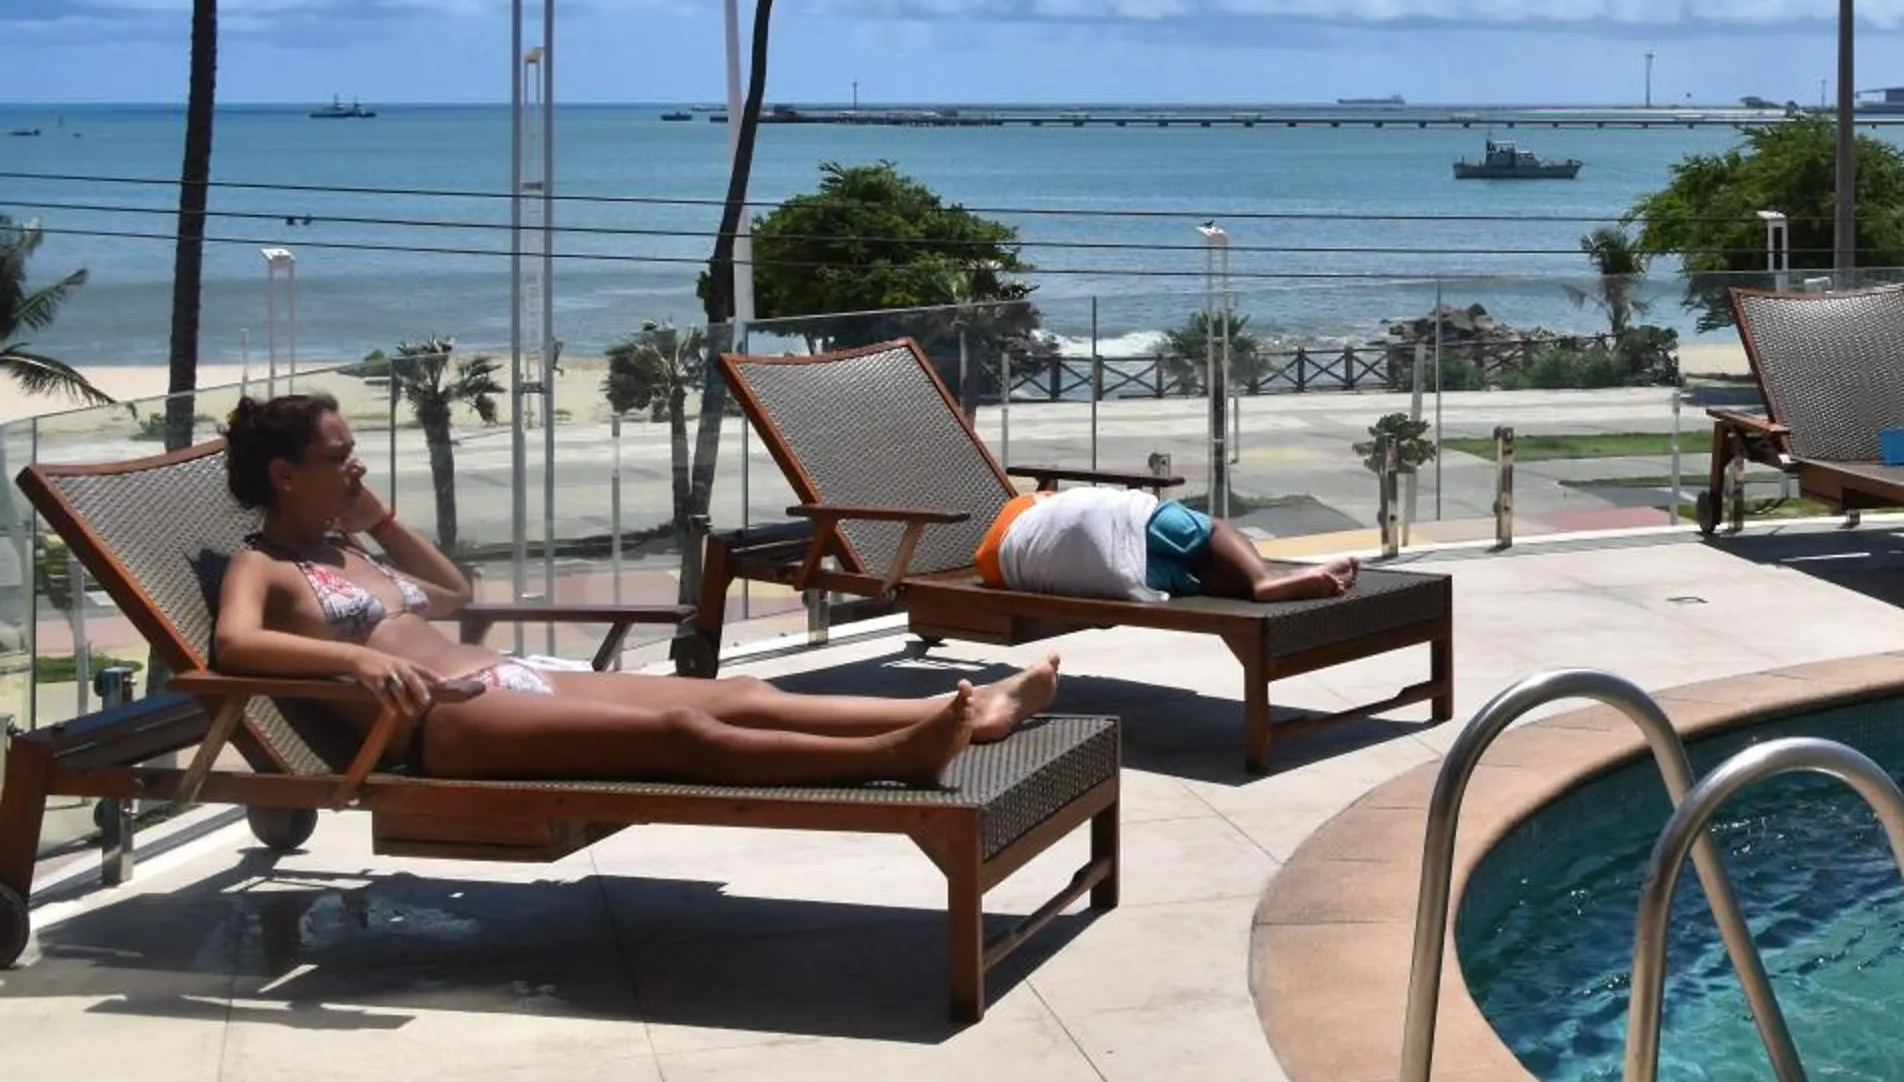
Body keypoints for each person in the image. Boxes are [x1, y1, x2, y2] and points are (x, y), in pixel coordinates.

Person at [213, 393, 1061, 785]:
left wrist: (379, 519)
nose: (355, 464)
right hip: (439, 726)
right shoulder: (264, 565)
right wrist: (351, 666)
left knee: (737, 691)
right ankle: (893, 756)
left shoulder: (345, 547)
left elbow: (453, 590)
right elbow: (236, 646)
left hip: (497, 680)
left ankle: (977, 709)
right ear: (284, 475)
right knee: (683, 728)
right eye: (338, 458)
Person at [971, 481, 1360, 603]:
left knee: (1192, 572)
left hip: (1107, 576)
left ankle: (1276, 578)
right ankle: (1264, 579)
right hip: (1116, 521)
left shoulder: (991, 563)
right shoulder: (1033, 505)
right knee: (1214, 530)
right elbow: (1068, 502)